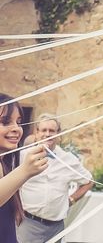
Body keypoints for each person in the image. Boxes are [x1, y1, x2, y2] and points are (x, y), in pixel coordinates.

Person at [16, 113, 93, 242]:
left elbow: (88, 181)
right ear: (37, 133)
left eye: (52, 131)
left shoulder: (68, 159)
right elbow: (13, 184)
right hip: (28, 223)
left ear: (59, 134)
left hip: (56, 227)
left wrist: (71, 200)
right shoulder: (23, 156)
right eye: (44, 130)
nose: (47, 134)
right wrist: (15, 209)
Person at [0, 94, 48, 243]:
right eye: (5, 121)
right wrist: (25, 171)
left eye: (19, 122)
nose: (16, 129)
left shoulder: (5, 162)